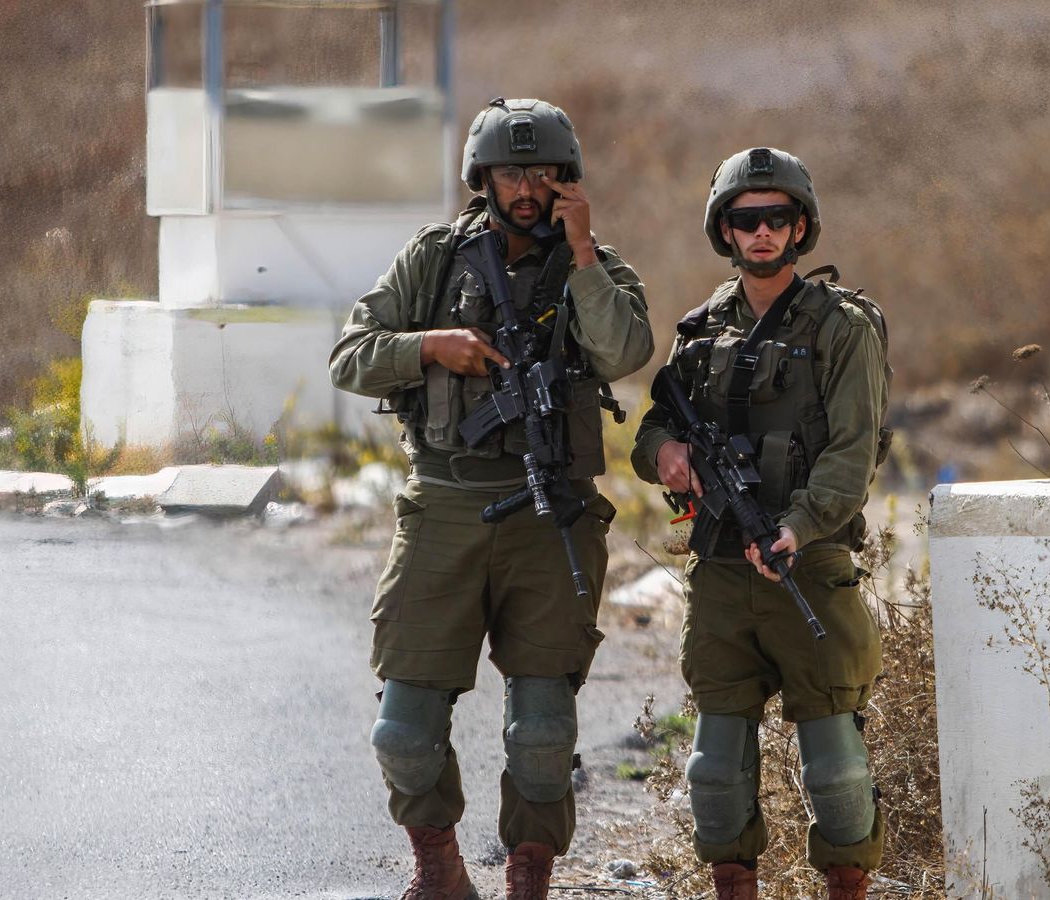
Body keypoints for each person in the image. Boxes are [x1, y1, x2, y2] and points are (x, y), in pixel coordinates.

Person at [329, 97, 654, 900]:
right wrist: (428, 345)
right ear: (482, 178)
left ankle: (528, 876)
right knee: (403, 728)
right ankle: (437, 870)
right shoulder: (433, 261)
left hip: (555, 517)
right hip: (443, 506)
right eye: (511, 171)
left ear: (566, 180)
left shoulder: (598, 268)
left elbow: (625, 350)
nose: (527, 187)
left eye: (544, 172)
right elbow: (350, 357)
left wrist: (581, 254)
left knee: (542, 731)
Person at [631, 147, 890, 900]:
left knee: (836, 766)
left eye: (777, 218)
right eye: (747, 220)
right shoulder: (701, 329)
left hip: (808, 566)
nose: (763, 232)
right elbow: (651, 430)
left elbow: (853, 451)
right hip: (719, 568)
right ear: (726, 231)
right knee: (715, 768)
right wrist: (667, 454)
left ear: (801, 226)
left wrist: (800, 526)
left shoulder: (842, 326)